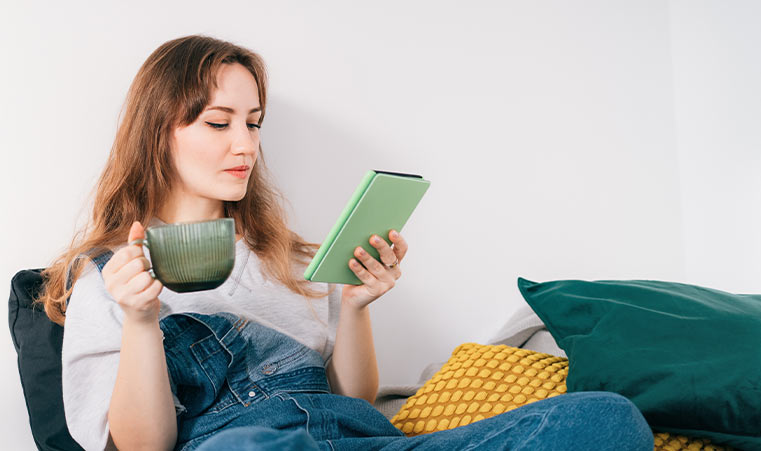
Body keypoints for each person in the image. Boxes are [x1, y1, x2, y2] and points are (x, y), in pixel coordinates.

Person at [37, 34, 654, 451]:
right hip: (246, 444)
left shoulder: (293, 259)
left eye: (254, 123)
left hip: (362, 438)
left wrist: (355, 306)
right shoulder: (110, 277)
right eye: (218, 123)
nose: (246, 145)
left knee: (606, 417)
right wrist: (141, 321)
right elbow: (142, 447)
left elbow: (353, 398)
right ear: (158, 133)